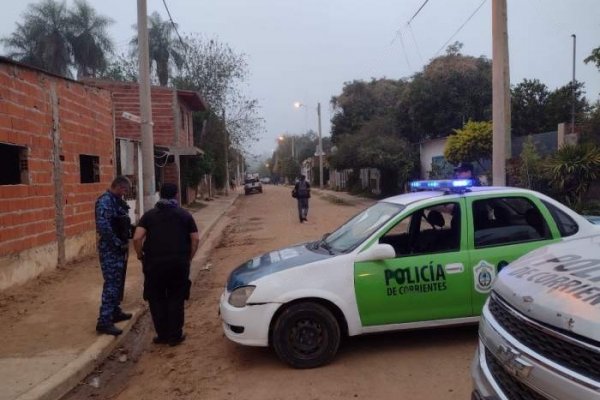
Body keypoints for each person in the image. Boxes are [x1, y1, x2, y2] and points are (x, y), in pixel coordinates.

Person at [133, 183, 200, 346]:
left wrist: (140, 254)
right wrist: (189, 257)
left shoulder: (149, 216)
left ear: (160, 196)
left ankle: (162, 335)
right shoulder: (184, 215)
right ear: (176, 195)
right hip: (178, 264)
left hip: (154, 265)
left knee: (156, 299)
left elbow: (136, 238)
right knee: (176, 298)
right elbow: (195, 238)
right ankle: (175, 336)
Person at [95, 176, 133, 336]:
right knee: (111, 283)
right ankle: (104, 321)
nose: (125, 193)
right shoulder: (105, 201)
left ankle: (115, 312)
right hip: (110, 249)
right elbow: (104, 227)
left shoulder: (116, 201)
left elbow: (122, 222)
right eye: (124, 190)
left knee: (118, 281)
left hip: (120, 247)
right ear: (117, 186)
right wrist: (118, 244)